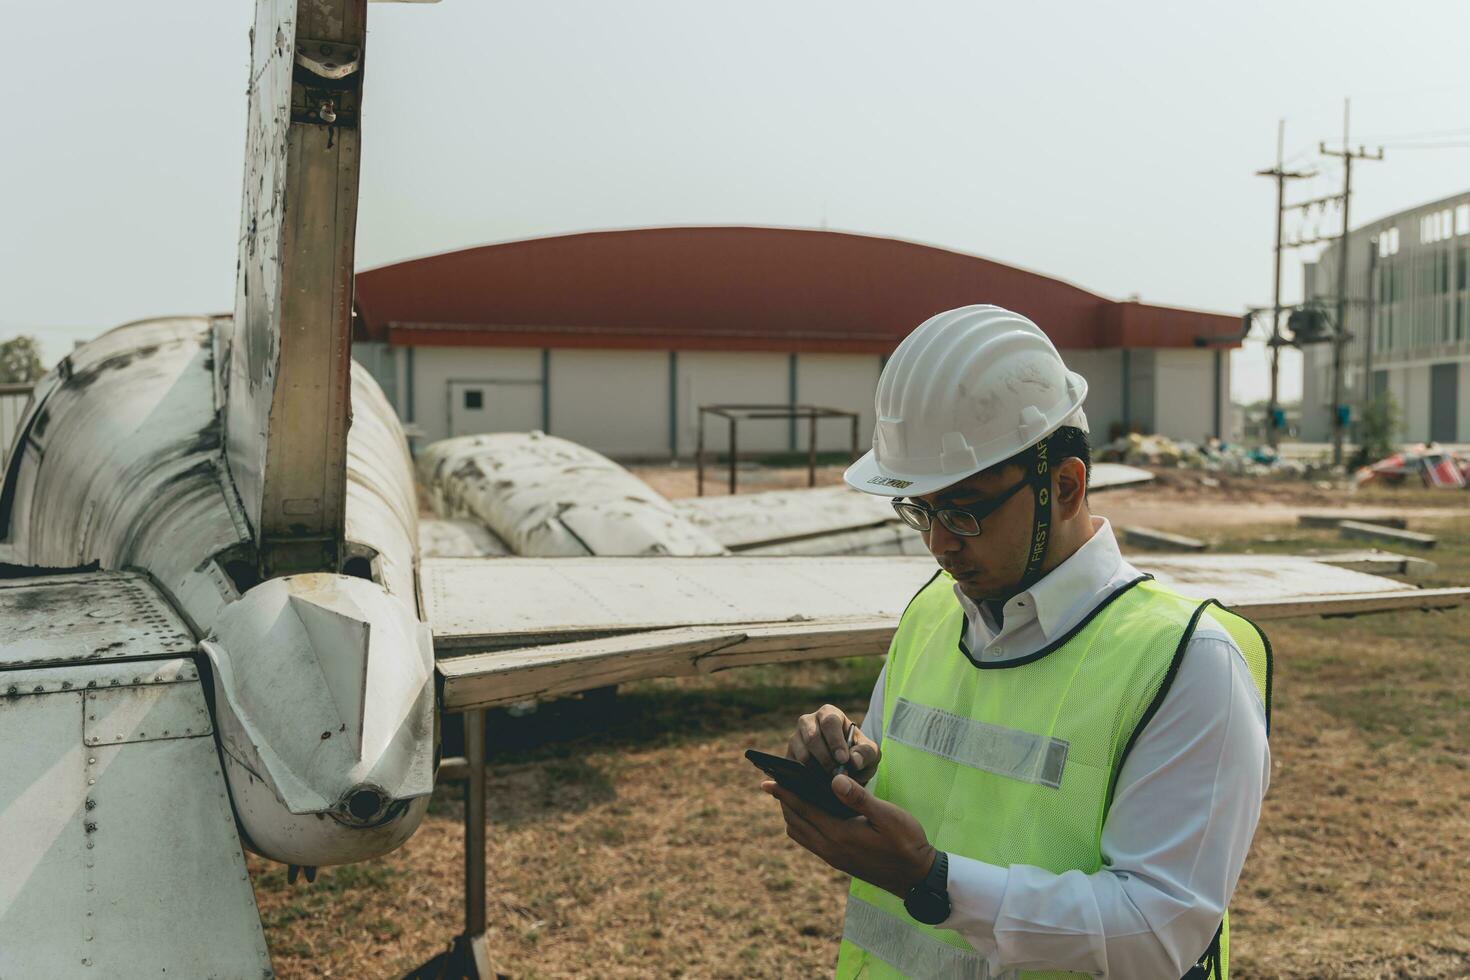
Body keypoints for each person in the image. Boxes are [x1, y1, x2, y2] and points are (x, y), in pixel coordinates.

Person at [760, 305, 1271, 980]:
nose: (941, 544)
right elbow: (938, 789)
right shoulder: (934, 614)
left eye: (965, 509)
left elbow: (1159, 932)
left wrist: (932, 880)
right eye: (921, 511)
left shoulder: (1187, 661)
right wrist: (848, 768)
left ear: (1064, 486)